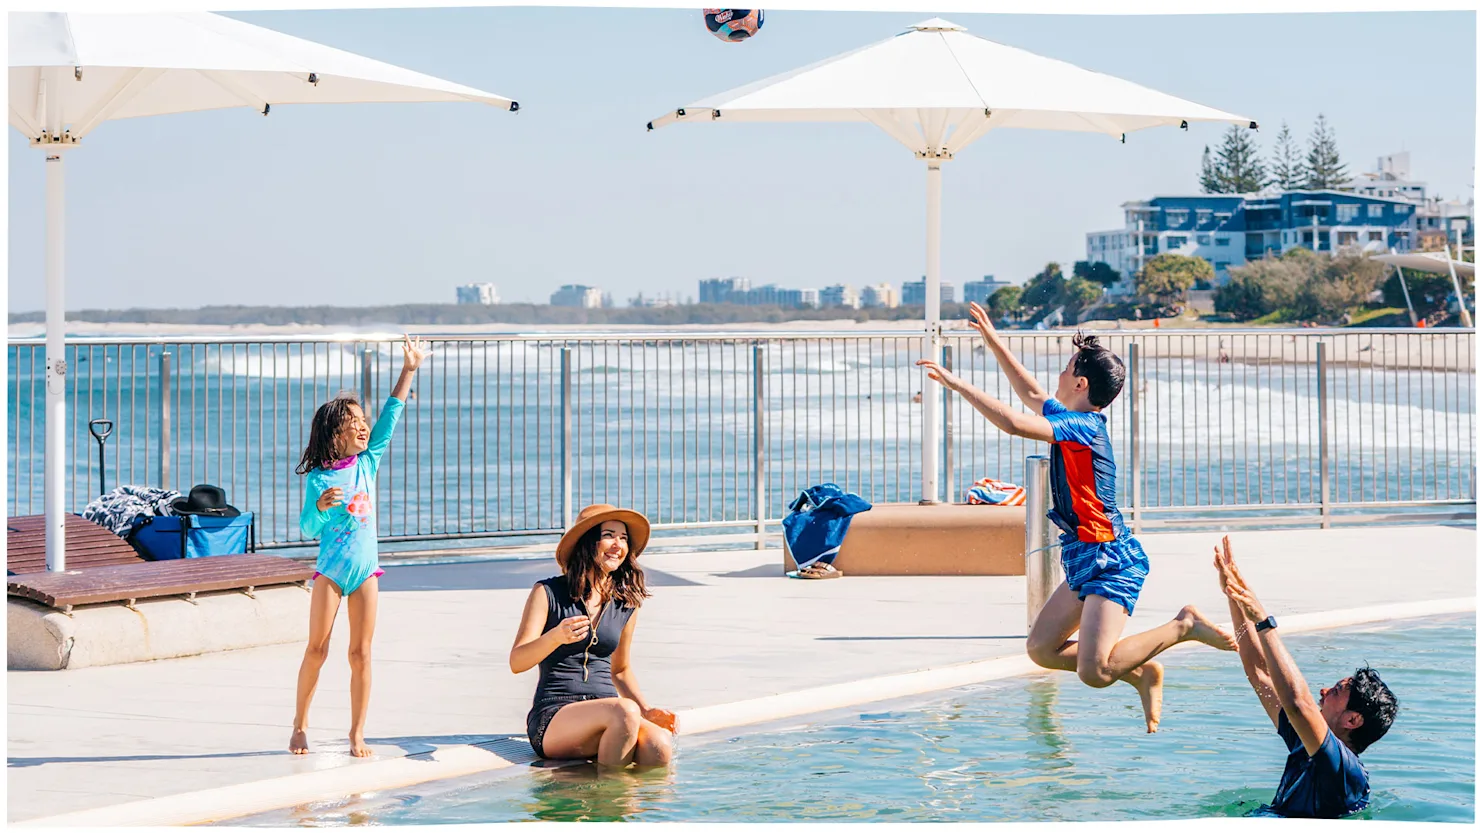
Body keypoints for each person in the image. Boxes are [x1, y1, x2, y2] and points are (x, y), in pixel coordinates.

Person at [916, 303, 1236, 732]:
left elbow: (1014, 422)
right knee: (1042, 649)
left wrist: (957, 385)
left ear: (1080, 383)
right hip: (1082, 556)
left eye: (1066, 369)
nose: (1059, 376)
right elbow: (1030, 395)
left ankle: (1184, 625)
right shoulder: (1072, 418)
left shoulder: (1085, 426)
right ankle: (1140, 671)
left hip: (1111, 559)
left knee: (1095, 672)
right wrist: (992, 340)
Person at [290, 335, 431, 757]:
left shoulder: (369, 462)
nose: (363, 425)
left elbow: (392, 414)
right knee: (318, 649)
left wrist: (409, 369)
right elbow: (307, 527)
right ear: (335, 435)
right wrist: (318, 505)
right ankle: (299, 725)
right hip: (331, 575)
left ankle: (357, 733)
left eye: (363, 420)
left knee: (362, 653)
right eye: (354, 422)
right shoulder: (320, 479)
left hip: (367, 572)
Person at [1214, 537, 1398, 818]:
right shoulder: (1305, 744)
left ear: (1352, 720)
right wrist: (1235, 596)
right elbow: (1258, 672)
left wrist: (1265, 622)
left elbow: (1300, 705)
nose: (1323, 690)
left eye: (1337, 690)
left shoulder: (1346, 772)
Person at [510, 504, 676, 768]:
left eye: (623, 538)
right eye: (609, 535)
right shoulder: (547, 592)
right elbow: (517, 662)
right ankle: (608, 803)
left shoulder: (627, 604)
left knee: (659, 747)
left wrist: (646, 710)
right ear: (587, 543)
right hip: (555, 714)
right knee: (624, 711)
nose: (618, 545)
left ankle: (627, 803)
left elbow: (620, 670)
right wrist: (555, 637)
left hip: (613, 713)